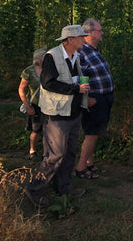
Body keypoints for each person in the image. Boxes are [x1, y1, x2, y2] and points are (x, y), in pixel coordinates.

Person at [25, 25, 90, 208]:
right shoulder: (52, 56)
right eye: (80, 37)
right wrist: (76, 88)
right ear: (69, 40)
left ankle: (63, 188)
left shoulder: (75, 56)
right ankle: (34, 188)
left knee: (69, 152)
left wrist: (80, 89)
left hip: (73, 112)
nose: (84, 40)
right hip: (56, 115)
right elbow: (48, 83)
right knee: (55, 154)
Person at [75, 18, 114, 179]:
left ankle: (89, 163)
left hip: (104, 98)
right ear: (90, 33)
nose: (102, 33)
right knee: (91, 133)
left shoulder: (94, 50)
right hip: (95, 99)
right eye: (100, 30)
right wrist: (87, 99)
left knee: (96, 133)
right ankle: (81, 168)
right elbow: (80, 77)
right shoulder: (82, 51)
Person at [18, 48, 47, 159]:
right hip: (35, 105)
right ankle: (32, 150)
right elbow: (21, 89)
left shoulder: (50, 69)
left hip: (49, 105)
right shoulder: (28, 71)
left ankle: (46, 153)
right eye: (45, 57)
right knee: (36, 129)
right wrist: (27, 105)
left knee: (48, 130)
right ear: (39, 58)